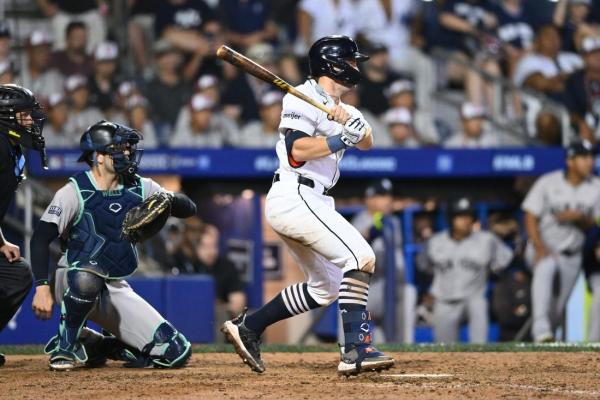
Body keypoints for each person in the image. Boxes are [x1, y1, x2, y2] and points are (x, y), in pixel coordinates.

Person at [221, 35, 395, 376]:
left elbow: (369, 143)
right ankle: (355, 350)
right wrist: (340, 137)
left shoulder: (344, 107)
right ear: (334, 64)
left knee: (326, 287)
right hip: (295, 194)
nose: (357, 66)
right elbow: (296, 152)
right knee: (360, 256)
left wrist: (355, 126)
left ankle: (250, 327)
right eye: (352, 60)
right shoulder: (300, 97)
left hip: (313, 199)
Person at [29, 121, 198, 371]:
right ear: (98, 156)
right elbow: (40, 239)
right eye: (119, 148)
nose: (127, 153)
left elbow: (189, 209)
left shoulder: (140, 186)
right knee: (87, 278)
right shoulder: (74, 191)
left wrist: (167, 199)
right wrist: (42, 287)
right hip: (72, 275)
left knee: (175, 352)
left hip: (112, 283)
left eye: (128, 148)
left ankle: (96, 344)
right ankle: (65, 346)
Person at [522, 140, 600, 342]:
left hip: (572, 255)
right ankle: (540, 329)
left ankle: (544, 340)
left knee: (556, 310)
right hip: (543, 246)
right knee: (546, 266)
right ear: (570, 161)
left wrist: (579, 218)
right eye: (583, 157)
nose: (589, 162)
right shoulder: (548, 182)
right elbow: (530, 215)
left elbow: (596, 222)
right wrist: (538, 246)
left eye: (591, 157)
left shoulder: (596, 187)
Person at [417, 197, 513, 343]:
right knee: (444, 350)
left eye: (469, 216)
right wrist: (428, 290)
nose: (466, 220)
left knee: (479, 338)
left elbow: (505, 261)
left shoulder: (487, 240)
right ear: (451, 218)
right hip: (445, 300)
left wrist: (494, 274)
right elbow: (422, 267)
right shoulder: (436, 241)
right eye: (461, 216)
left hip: (474, 299)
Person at [0, 84, 47, 366]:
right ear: (6, 116)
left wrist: (2, 242)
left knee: (17, 274)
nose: (30, 121)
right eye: (24, 115)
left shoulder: (11, 146)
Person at [351, 179, 415, 343]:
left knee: (409, 293)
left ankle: (403, 351)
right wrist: (371, 231)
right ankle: (351, 352)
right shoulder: (359, 221)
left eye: (389, 196)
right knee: (353, 334)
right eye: (382, 196)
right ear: (369, 199)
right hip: (367, 287)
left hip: (392, 286)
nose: (388, 201)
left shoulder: (393, 221)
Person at [562, 35, 600, 143]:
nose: (598, 57)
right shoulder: (574, 80)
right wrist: (580, 123)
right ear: (584, 57)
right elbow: (570, 110)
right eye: (593, 53)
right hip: (586, 127)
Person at [18, 30, 64, 101]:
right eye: (40, 51)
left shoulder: (55, 77)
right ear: (29, 52)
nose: (45, 55)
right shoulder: (17, 78)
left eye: (47, 51)